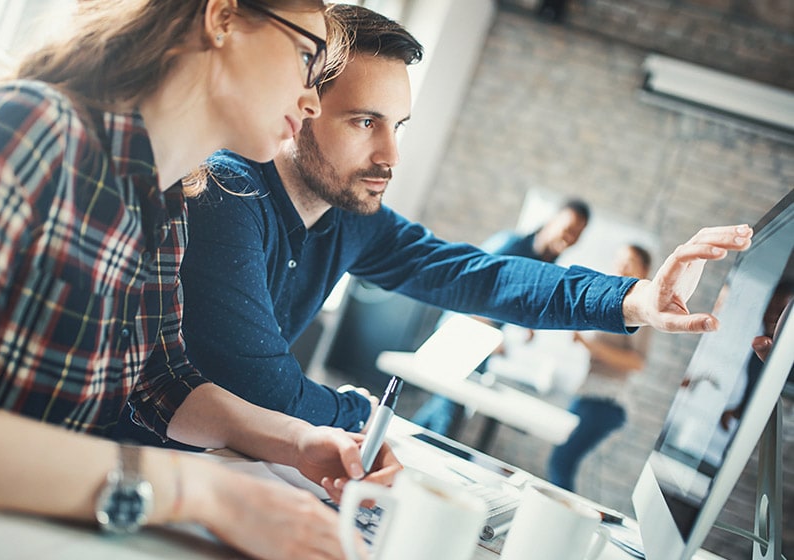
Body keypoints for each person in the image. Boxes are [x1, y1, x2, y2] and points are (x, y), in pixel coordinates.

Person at [139, 4, 752, 439]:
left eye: (397, 126)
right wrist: (364, 416)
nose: (390, 156)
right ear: (301, 104)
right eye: (364, 122)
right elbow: (262, 393)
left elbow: (480, 277)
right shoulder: (225, 194)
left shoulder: (354, 218)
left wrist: (636, 299)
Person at [0, 2, 399, 560]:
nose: (313, 99)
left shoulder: (169, 196)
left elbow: (162, 381)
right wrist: (203, 493)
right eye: (305, 56)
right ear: (221, 18)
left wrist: (299, 442)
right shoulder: (33, 127)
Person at [411, 198, 590, 435]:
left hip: (482, 342)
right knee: (447, 415)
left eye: (577, 234)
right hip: (463, 331)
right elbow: (469, 281)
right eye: (568, 228)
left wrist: (524, 325)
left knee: (444, 410)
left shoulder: (546, 262)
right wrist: (490, 332)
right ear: (552, 221)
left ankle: (391, 447)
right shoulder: (512, 244)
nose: (570, 237)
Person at [546, 244, 653, 492]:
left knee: (561, 461)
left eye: (630, 262)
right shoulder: (616, 303)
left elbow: (637, 362)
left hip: (606, 402)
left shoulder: (641, 307)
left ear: (644, 269)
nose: (621, 266)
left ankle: (565, 525)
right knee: (561, 460)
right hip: (588, 394)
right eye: (619, 260)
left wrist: (588, 344)